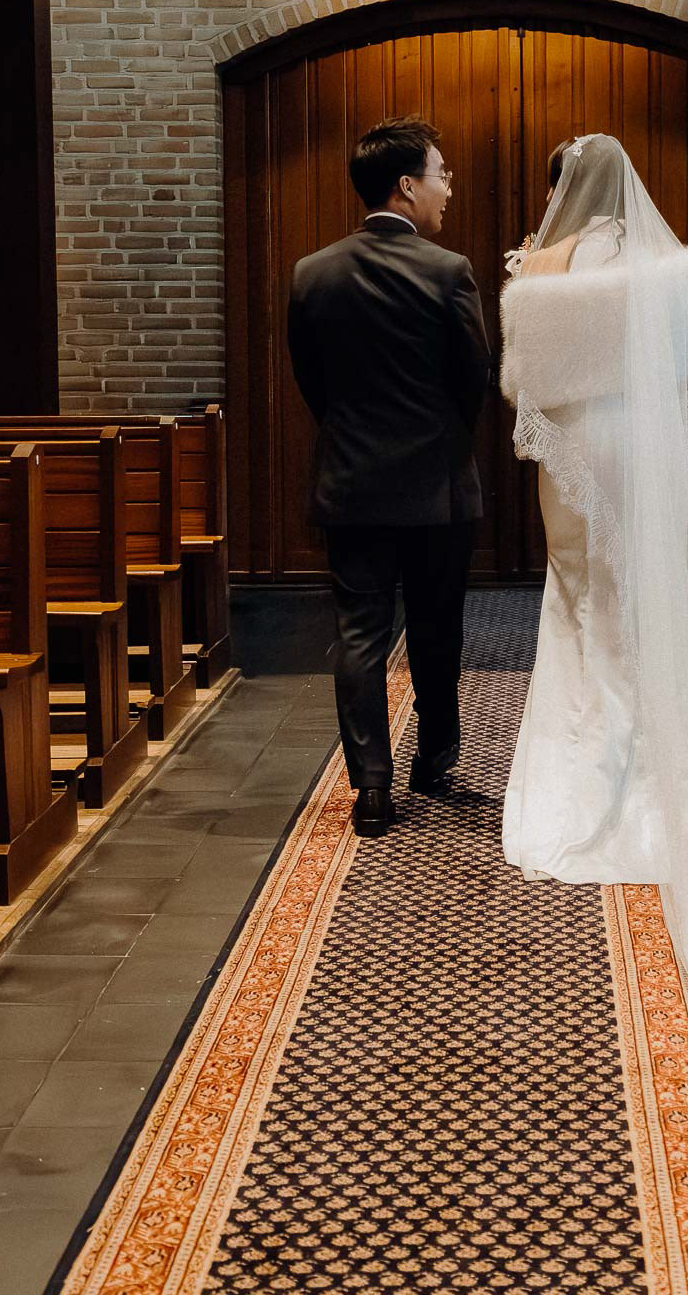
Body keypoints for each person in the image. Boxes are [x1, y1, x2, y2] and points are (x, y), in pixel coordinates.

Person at [499, 133, 688, 1045]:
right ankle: (657, 781)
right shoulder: (670, 268)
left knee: (583, 601)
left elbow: (525, 381)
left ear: (562, 192)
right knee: (644, 604)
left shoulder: (539, 266)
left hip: (578, 452)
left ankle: (586, 783)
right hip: (641, 449)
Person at [286, 116, 491, 839]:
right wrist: (438, 442)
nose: (449, 188)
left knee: (360, 635)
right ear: (406, 186)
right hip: (436, 487)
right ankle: (434, 761)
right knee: (438, 629)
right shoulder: (448, 271)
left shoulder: (312, 272)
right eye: (442, 174)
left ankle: (371, 788)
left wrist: (356, 438)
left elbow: (312, 380)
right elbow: (475, 380)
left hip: (352, 485)